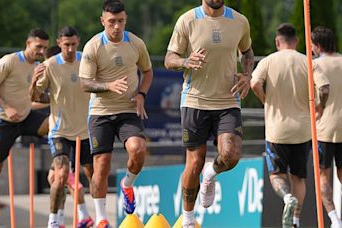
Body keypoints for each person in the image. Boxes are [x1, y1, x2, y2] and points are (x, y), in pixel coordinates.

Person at [164, 0, 254, 226]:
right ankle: (187, 219)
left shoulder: (239, 21)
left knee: (231, 155)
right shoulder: (187, 20)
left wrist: (248, 74)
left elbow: (248, 52)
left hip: (228, 100)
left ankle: (210, 175)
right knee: (194, 163)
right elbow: (169, 59)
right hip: (195, 100)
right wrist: (185, 61)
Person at [79, 0, 153, 227]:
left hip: (128, 110)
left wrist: (141, 94)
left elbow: (147, 71)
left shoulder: (135, 43)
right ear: (103, 21)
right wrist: (108, 86)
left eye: (120, 21)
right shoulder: (93, 47)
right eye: (111, 22)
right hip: (101, 113)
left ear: (126, 19)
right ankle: (101, 219)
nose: (116, 26)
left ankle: (127, 185)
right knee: (101, 164)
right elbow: (84, 83)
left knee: (138, 150)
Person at [250, 23, 329, 228]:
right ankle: (295, 220)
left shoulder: (268, 61)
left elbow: (253, 83)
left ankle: (287, 198)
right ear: (297, 42)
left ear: (277, 42)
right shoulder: (307, 61)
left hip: (277, 131)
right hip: (303, 131)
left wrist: (265, 99)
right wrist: (319, 107)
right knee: (299, 177)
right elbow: (324, 87)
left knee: (277, 174)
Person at [0, 28, 49, 228]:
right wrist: (7, 107)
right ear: (28, 43)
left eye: (44, 48)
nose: (41, 51)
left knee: (56, 125)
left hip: (26, 116)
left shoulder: (40, 67)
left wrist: (59, 101)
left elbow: (37, 98)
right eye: (38, 46)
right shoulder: (9, 61)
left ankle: (64, 166)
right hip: (3, 121)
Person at [29, 26, 94, 228]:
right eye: (66, 45)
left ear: (79, 42)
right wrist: (33, 83)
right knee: (61, 174)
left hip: (85, 130)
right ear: (59, 44)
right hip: (59, 131)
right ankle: (54, 221)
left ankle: (95, 217)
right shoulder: (49, 66)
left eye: (74, 44)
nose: (70, 49)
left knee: (95, 175)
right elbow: (34, 98)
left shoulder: (87, 60)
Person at [312, 26, 342, 228]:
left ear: (318, 45)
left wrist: (319, 108)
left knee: (323, 175)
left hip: (323, 127)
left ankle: (334, 219)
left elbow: (321, 91)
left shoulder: (315, 65)